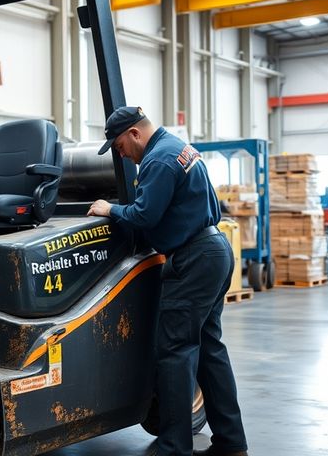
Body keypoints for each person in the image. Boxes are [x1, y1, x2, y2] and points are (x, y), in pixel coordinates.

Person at [87, 106, 248, 456]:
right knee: (209, 350)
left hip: (193, 258)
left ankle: (175, 446)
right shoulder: (178, 148)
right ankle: (232, 443)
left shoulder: (158, 161)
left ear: (134, 133)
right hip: (213, 249)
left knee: (175, 351)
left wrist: (109, 209)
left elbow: (144, 214)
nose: (121, 155)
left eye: (119, 147)